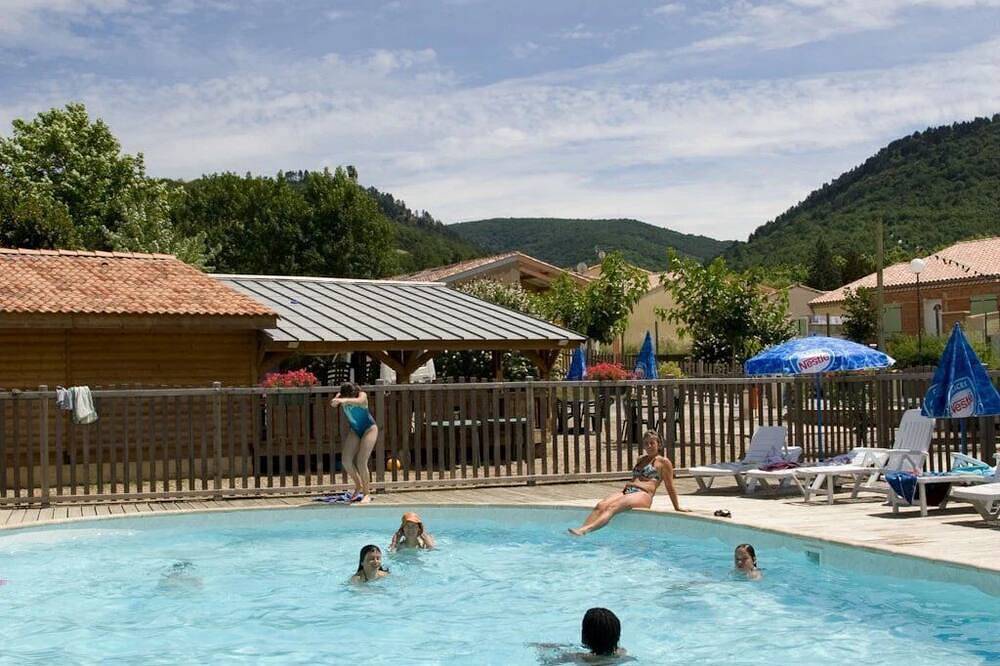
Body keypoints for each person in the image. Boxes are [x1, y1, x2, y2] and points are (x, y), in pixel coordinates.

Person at [569, 431, 690, 536]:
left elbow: (670, 486)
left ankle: (586, 530)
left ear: (659, 444)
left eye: (652, 443)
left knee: (612, 507)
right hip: (627, 491)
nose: (649, 446)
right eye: (646, 443)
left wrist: (677, 507)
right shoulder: (641, 459)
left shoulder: (664, 462)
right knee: (601, 505)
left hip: (643, 495)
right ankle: (580, 530)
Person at [330, 382, 378, 504]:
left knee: (361, 462)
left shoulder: (362, 395)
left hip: (369, 428)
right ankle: (358, 485)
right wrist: (336, 400)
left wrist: (344, 401)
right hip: (355, 430)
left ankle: (367, 494)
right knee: (346, 460)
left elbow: (359, 401)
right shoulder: (341, 395)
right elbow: (333, 403)